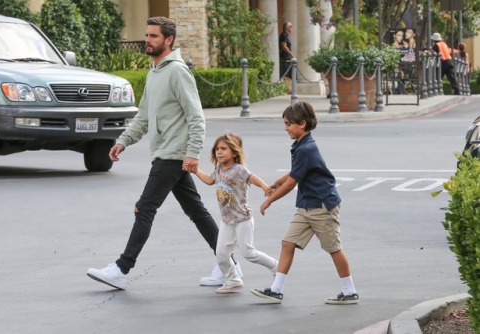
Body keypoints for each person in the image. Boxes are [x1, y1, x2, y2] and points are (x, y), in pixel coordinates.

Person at [86, 16, 241, 290]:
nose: (148, 40)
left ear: (168, 40)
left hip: (173, 154)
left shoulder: (178, 72)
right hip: (167, 153)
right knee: (197, 211)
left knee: (145, 208)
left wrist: (192, 153)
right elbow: (144, 116)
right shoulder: (154, 71)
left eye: (153, 36)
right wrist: (123, 140)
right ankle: (228, 265)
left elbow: (196, 117)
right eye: (147, 35)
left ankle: (122, 268)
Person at [250, 101, 359, 305]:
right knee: (287, 243)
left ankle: (350, 291)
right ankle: (276, 289)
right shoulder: (301, 145)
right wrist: (278, 181)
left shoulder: (306, 148)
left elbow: (292, 183)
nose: (286, 128)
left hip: (322, 206)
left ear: (302, 124)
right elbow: (294, 173)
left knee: (333, 248)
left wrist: (268, 201)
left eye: (288, 124)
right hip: (306, 206)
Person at [194, 133, 278, 294]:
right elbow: (209, 180)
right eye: (217, 149)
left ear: (234, 152)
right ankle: (233, 281)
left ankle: (277, 267)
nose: (219, 152)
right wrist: (195, 170)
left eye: (223, 149)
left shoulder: (239, 169)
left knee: (249, 253)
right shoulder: (218, 169)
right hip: (226, 220)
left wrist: (266, 188)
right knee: (221, 254)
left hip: (242, 219)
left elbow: (253, 178)